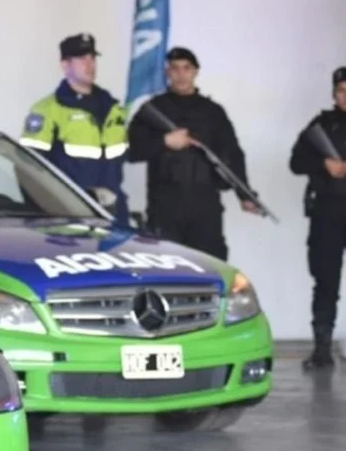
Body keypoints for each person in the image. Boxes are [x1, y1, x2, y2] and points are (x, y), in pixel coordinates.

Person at [126, 47, 258, 260]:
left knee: (211, 269)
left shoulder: (212, 112)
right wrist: (164, 142)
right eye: (174, 68)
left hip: (204, 205)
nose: (180, 74)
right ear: (167, 73)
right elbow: (131, 151)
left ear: (196, 72)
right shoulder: (153, 109)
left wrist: (245, 195)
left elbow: (233, 154)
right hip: (164, 205)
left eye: (186, 68)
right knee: (167, 272)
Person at [19, 33, 130, 223]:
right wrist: (48, 211)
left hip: (113, 212)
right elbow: (28, 169)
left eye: (92, 58)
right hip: (71, 216)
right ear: (65, 65)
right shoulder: (47, 110)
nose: (90, 64)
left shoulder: (113, 108)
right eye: (81, 58)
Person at [289, 66, 346, 369]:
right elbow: (295, 161)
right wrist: (323, 162)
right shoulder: (322, 125)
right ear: (334, 93)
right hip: (328, 212)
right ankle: (322, 349)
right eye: (341, 91)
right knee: (326, 281)